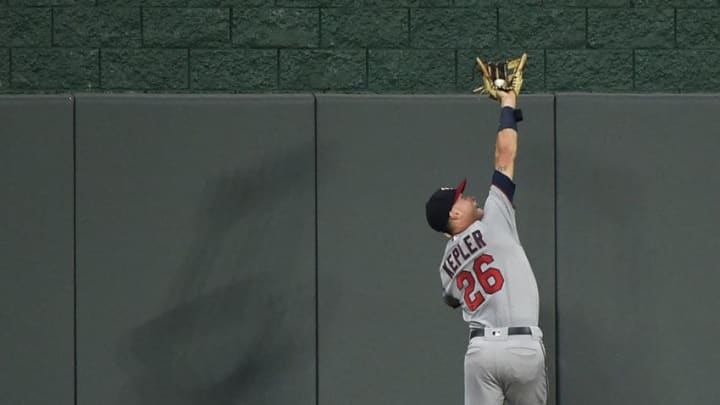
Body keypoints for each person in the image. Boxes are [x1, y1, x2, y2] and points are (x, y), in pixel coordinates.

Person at [424, 90, 547, 405]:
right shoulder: (494, 218)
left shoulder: (445, 267)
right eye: (461, 198)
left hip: (480, 354)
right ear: (454, 214)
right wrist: (508, 104)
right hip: (522, 346)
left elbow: (452, 299)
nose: (470, 198)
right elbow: (505, 154)